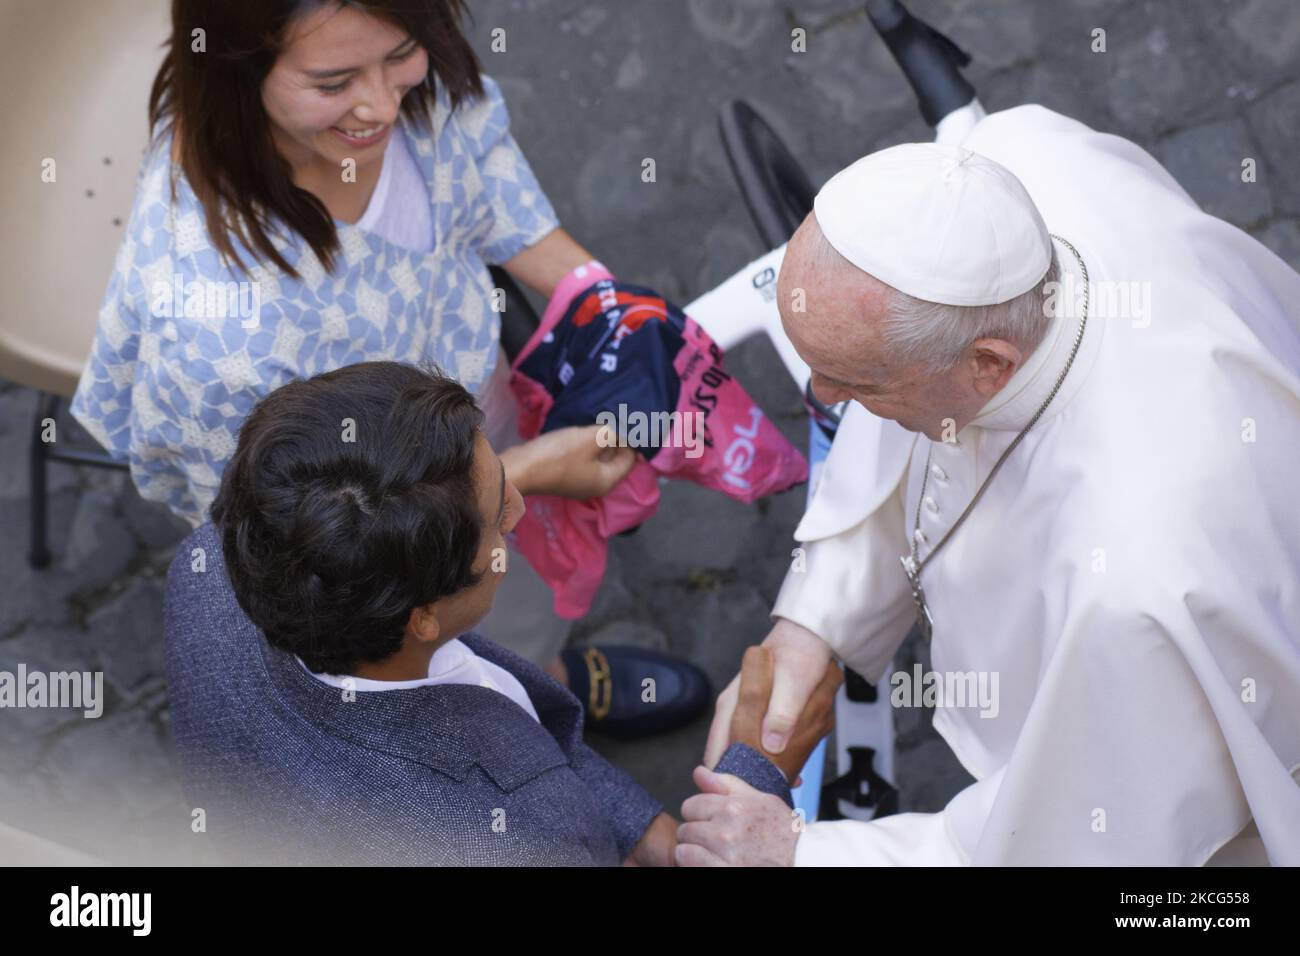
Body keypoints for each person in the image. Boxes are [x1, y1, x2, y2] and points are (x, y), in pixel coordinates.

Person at [686, 106, 1300, 866]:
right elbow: (913, 410)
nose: (821, 394)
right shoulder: (1012, 150)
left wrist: (796, 855)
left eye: (849, 382)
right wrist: (816, 623)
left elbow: (1072, 836)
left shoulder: (1134, 582)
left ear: (990, 366)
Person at [69, 0, 702, 736]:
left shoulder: (404, 85)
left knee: (514, 607)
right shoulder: (220, 347)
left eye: (402, 51)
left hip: (469, 409)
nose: (381, 105)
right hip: (403, 525)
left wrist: (614, 311)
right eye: (334, 81)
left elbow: (482, 184)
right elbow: (319, 544)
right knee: (460, 639)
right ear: (239, 71)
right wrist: (519, 475)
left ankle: (542, 681)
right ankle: (513, 719)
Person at [162, 360, 840, 864]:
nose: (520, 506)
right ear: (422, 618)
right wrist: (755, 785)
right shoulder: (511, 840)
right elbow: (545, 807)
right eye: (496, 516)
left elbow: (538, 751)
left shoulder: (213, 566)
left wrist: (650, 834)